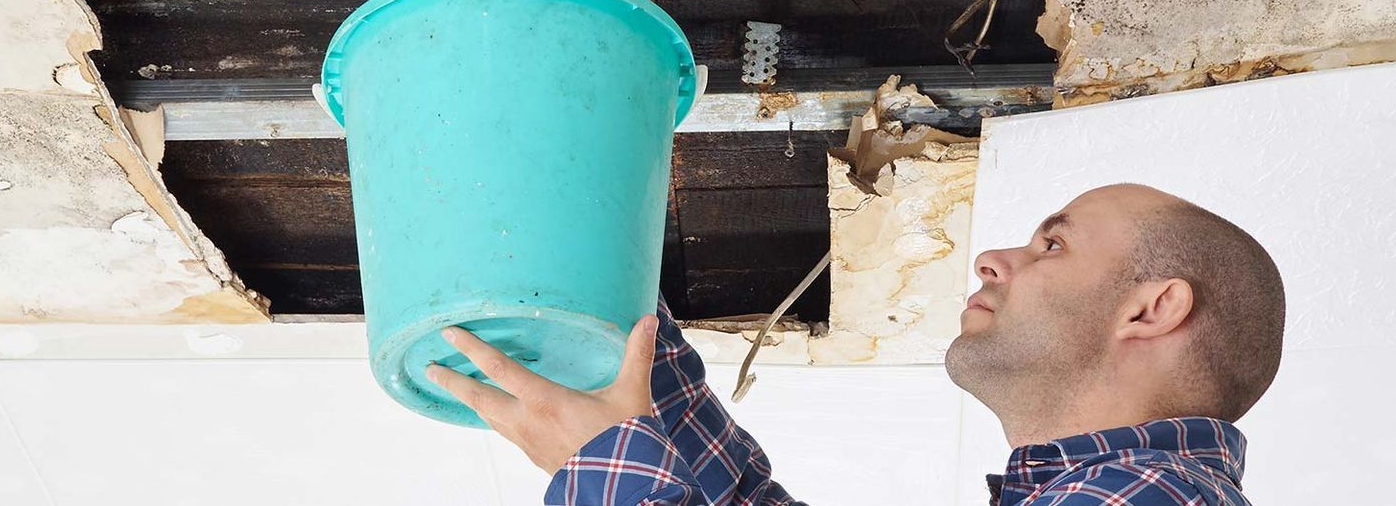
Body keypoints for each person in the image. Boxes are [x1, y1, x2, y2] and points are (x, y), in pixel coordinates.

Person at [427, 183, 1286, 505]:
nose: (995, 256)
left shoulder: (1152, 498)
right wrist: (610, 296)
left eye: (1052, 245)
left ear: (1152, 309)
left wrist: (608, 474)